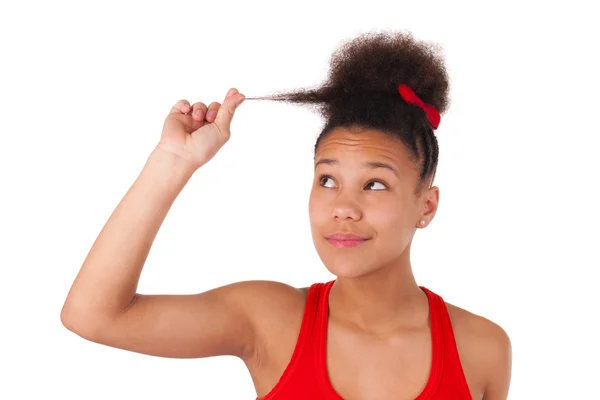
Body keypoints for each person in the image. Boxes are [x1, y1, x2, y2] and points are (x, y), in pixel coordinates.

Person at [60, 31, 512, 399]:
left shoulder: (483, 349)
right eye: (327, 180)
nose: (344, 208)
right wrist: (173, 162)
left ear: (426, 206)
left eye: (375, 184)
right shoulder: (269, 320)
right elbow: (93, 316)